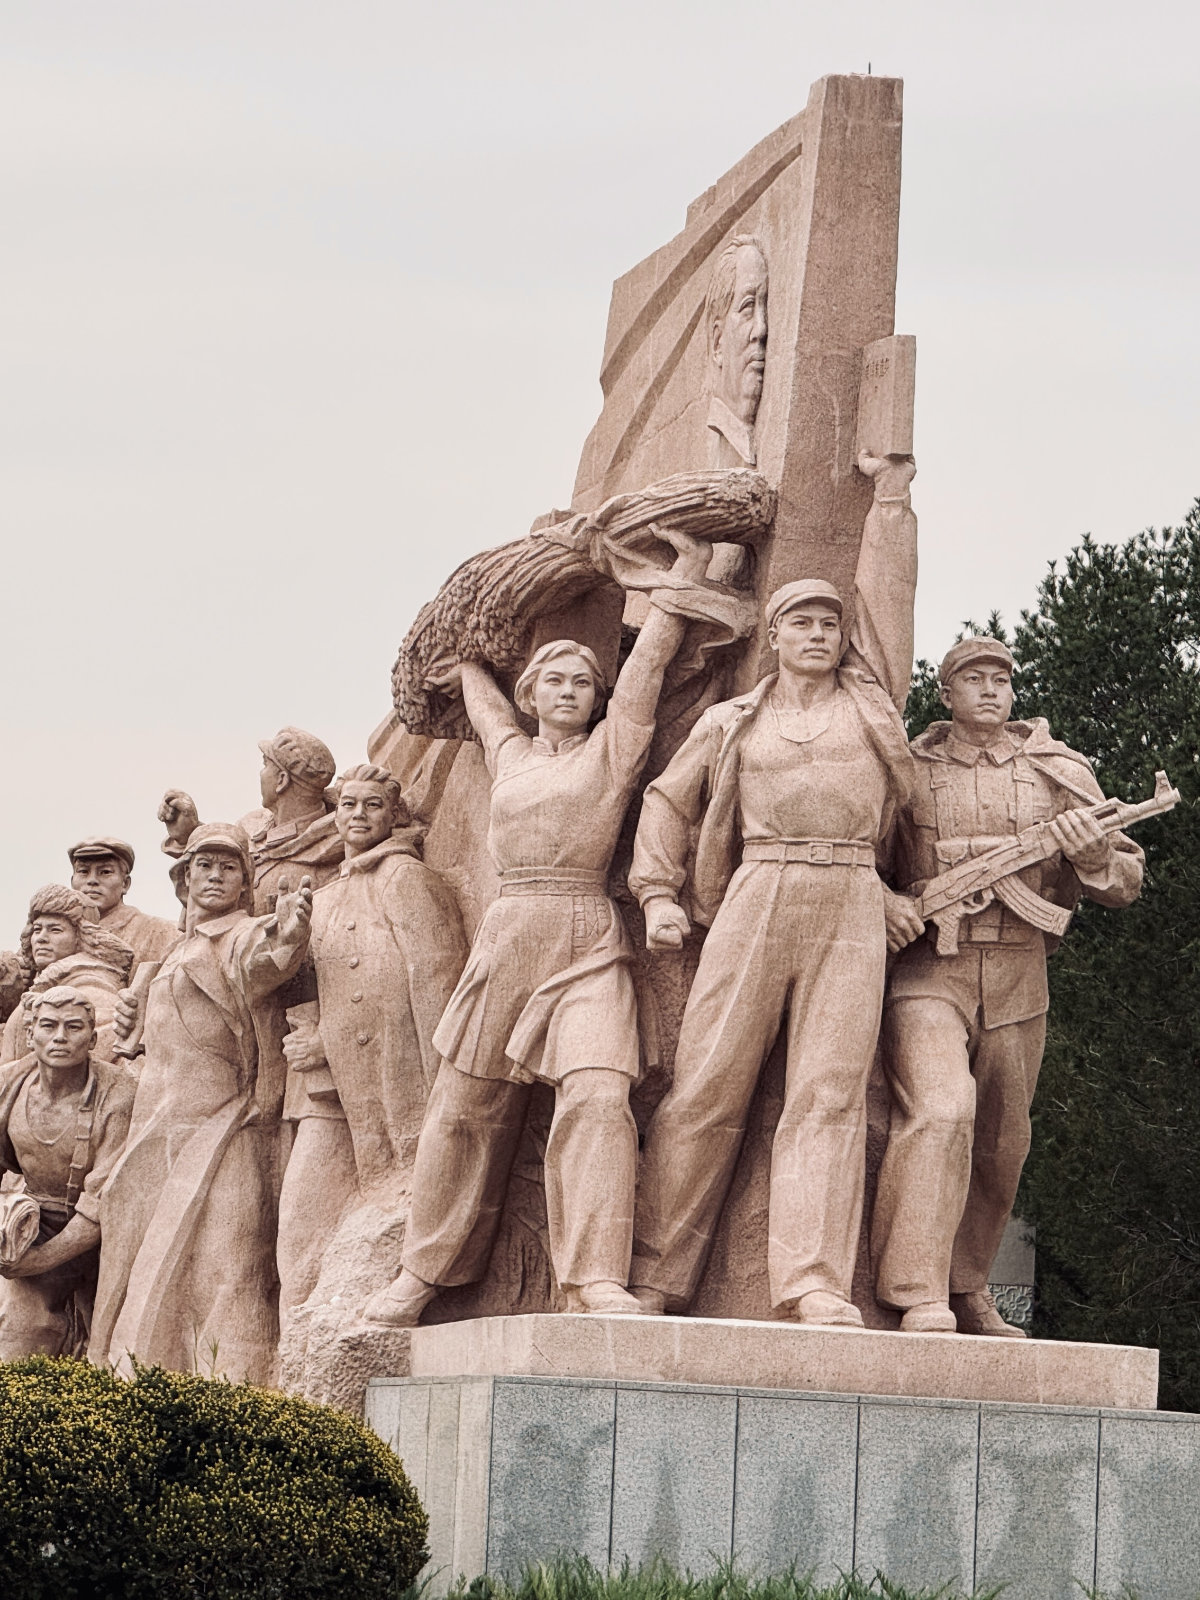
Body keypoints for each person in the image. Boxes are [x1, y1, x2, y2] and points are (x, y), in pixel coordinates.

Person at [364, 526, 722, 1327]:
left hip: (586, 934)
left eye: (582, 682)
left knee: (599, 1100)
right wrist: (460, 664)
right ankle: (420, 1274)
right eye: (553, 680)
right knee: (463, 1107)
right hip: (509, 934)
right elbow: (485, 711)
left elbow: (647, 675)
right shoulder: (513, 757)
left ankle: (594, 1278)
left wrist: (677, 586)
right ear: (530, 694)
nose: (569, 690)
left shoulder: (614, 750)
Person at [625, 453, 922, 1327]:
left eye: (831, 622)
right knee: (708, 1084)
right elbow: (667, 801)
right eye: (802, 622)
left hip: (849, 895)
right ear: (778, 636)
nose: (821, 634)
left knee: (829, 1093)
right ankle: (654, 1275)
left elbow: (890, 598)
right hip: (756, 889)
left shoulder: (874, 712)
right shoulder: (733, 721)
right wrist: (658, 895)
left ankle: (814, 1281)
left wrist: (893, 491)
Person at [871, 637, 1144, 1336]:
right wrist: (889, 903)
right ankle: (915, 1287)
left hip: (1021, 973)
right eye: (973, 679)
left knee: (1002, 1141)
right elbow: (857, 856)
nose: (989, 690)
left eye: (1000, 679)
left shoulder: (1057, 772)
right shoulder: (908, 768)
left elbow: (1125, 880)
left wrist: (1091, 858)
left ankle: (968, 1287)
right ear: (947, 693)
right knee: (943, 1109)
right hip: (930, 970)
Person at [89, 824, 312, 1385]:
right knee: (146, 1271)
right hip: (157, 1131)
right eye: (204, 866)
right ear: (184, 877)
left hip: (224, 1129)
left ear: (244, 882)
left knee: (227, 1271)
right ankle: (145, 1391)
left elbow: (267, 959)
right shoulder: (172, 952)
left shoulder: (241, 935)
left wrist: (289, 934)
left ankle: (232, 1398)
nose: (215, 875)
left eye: (228, 867)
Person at [275, 764, 466, 1314]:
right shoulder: (328, 895)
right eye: (349, 805)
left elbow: (436, 980)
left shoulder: (407, 878)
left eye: (373, 806)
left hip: (404, 1062)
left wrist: (439, 1078)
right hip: (345, 1071)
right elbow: (309, 980)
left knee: (408, 1176)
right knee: (339, 1194)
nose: (359, 816)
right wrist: (314, 1040)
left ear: (394, 814)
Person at [0, 986, 137, 1359]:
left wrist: (39, 1260)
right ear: (31, 1035)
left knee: (112, 1350)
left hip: (107, 1236)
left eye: (73, 1027)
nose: (60, 1037)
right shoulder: (8, 1083)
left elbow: (102, 1200)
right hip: (32, 1225)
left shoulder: (120, 1093)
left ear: (93, 1039)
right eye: (48, 1025)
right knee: (19, 1335)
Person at [0, 886, 133, 1065]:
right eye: (37, 929)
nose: (41, 938)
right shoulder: (42, 985)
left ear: (81, 937)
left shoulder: (92, 987)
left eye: (55, 930)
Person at [68, 836, 179, 973]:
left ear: (125, 884)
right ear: (72, 882)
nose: (92, 880)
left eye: (105, 872)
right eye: (83, 872)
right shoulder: (54, 934)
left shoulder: (161, 932)